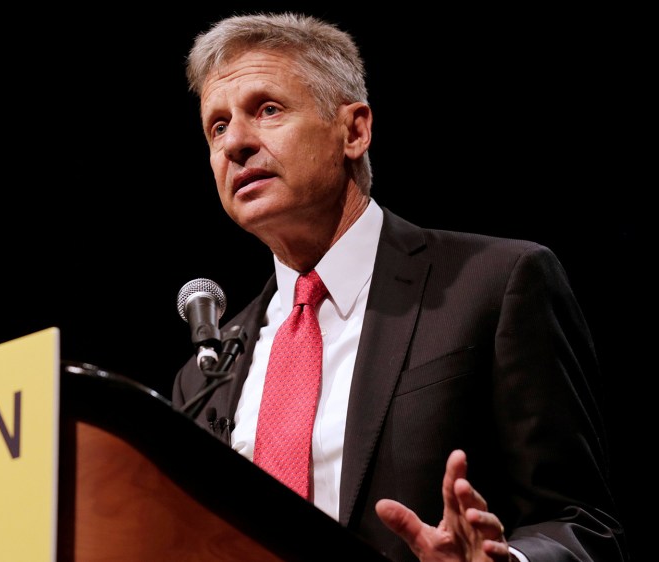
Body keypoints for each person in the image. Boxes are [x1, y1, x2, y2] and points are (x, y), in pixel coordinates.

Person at [170, 12, 628, 562]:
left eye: (267, 110)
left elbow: (583, 526)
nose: (236, 143)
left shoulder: (496, 285)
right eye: (217, 127)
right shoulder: (204, 375)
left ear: (355, 130)